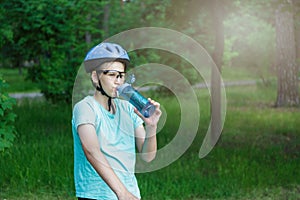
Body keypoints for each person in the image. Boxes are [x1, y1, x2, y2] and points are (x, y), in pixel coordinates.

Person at [72, 42, 161, 200]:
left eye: (121, 75)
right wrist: (122, 192)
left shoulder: (128, 108)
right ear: (95, 76)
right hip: (96, 195)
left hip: (130, 193)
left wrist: (151, 127)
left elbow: (147, 156)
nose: (118, 81)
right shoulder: (85, 108)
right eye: (112, 74)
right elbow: (92, 151)